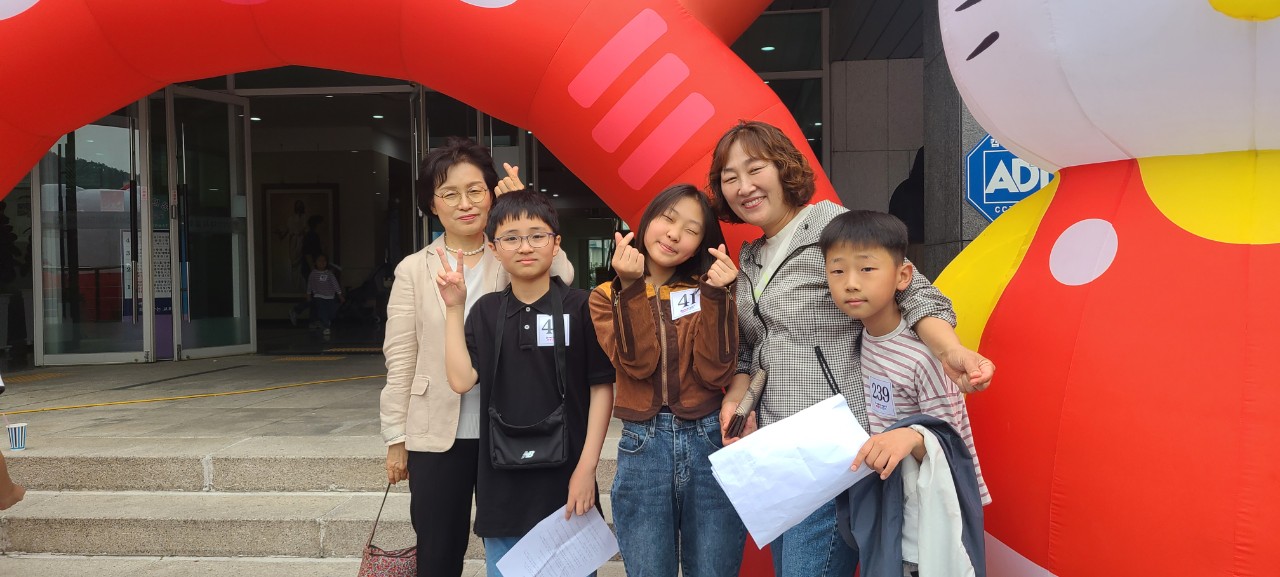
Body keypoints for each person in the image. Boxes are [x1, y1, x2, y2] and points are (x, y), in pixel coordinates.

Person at [707, 120, 995, 577]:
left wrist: (948, 351)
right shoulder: (751, 256)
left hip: (833, 446)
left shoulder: (828, 225)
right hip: (779, 452)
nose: (744, 186)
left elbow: (914, 290)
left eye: (755, 169)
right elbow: (755, 346)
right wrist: (736, 400)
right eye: (730, 177)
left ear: (784, 168)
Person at [379, 137, 564, 577]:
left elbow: (563, 278)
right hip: (438, 433)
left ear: (491, 193)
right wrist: (395, 436)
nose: (465, 203)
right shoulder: (413, 269)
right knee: (439, 552)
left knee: (518, 544)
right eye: (450, 193)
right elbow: (400, 357)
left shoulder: (511, 250)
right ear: (432, 204)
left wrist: (521, 211)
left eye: (475, 190)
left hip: (511, 426)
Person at [440, 191, 615, 577]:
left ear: (556, 243)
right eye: (511, 238)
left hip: (567, 481)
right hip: (502, 486)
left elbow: (602, 387)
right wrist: (454, 307)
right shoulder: (485, 311)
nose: (525, 246)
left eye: (537, 235)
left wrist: (587, 469)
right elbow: (461, 380)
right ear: (493, 248)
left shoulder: (582, 306)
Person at [588, 184, 745, 577]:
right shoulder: (606, 295)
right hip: (643, 443)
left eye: (691, 230)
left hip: (709, 437)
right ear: (646, 222)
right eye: (668, 219)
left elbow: (716, 372)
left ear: (699, 246)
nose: (675, 234)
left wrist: (718, 297)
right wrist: (630, 287)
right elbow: (638, 364)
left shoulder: (707, 290)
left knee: (714, 569)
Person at [821, 210, 989, 500]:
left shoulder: (923, 357)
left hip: (931, 504)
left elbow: (950, 444)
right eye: (838, 271)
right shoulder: (860, 339)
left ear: (903, 276)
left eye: (867, 269)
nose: (851, 283)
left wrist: (910, 438)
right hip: (888, 498)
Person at [305, 253, 344, 336]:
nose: (322, 262)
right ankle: (326, 327)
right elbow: (310, 284)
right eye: (319, 260)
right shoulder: (313, 273)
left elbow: (335, 284)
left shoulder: (329, 273)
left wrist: (340, 295)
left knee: (332, 313)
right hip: (318, 296)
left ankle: (327, 321)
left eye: (324, 261)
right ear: (315, 262)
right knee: (322, 311)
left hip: (330, 297)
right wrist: (308, 294)